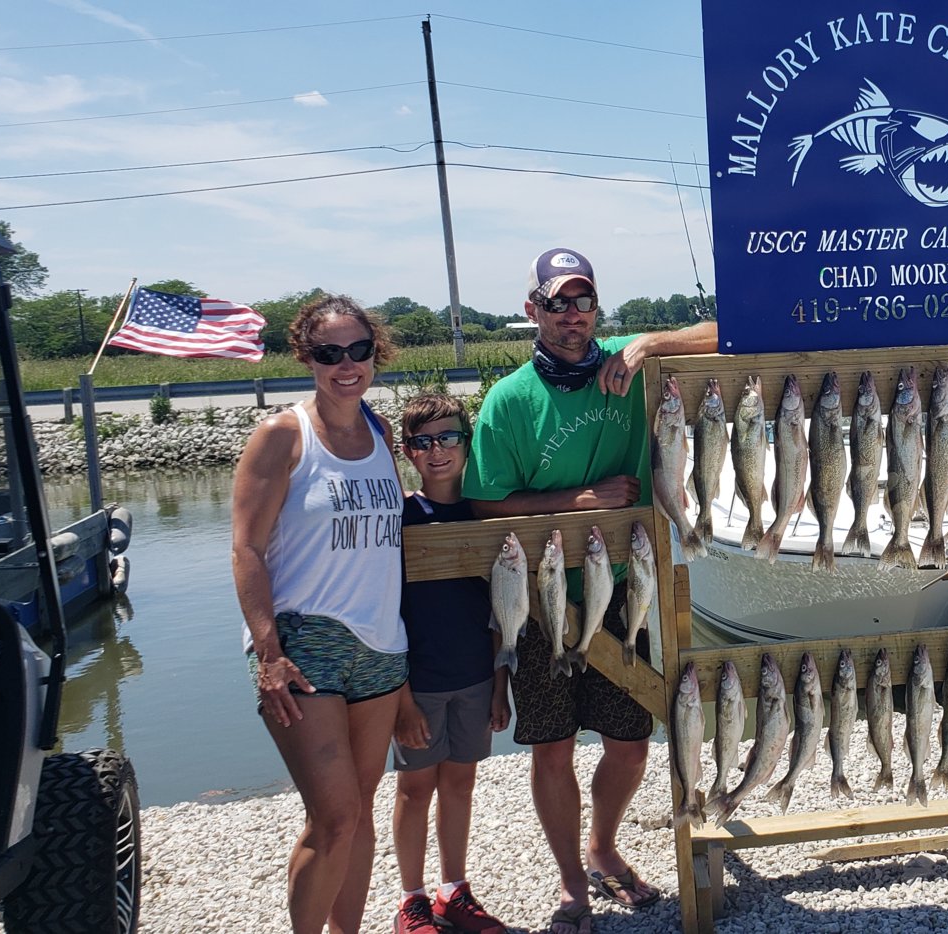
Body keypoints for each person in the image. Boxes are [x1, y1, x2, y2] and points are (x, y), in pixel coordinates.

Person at [463, 247, 717, 933]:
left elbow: (731, 334)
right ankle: (572, 881)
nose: (572, 315)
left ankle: (603, 846)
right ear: (533, 310)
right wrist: (573, 501)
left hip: (625, 591)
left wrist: (650, 344)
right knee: (551, 747)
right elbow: (484, 503)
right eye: (558, 303)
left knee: (630, 744)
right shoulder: (509, 399)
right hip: (538, 596)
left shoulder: (629, 369)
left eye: (584, 301)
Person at [232, 295, 407, 933]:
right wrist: (269, 653)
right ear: (307, 358)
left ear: (375, 353)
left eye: (359, 349)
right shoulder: (283, 435)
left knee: (359, 814)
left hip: (381, 645)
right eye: (330, 353)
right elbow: (246, 548)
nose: (346, 365)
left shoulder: (381, 432)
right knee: (333, 818)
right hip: (306, 642)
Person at [389, 393, 511, 934]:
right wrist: (401, 699)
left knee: (461, 786)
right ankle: (411, 900)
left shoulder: (487, 513)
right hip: (418, 683)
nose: (437, 450)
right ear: (408, 451)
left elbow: (503, 609)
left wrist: (500, 685)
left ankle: (453, 892)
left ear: (468, 442)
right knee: (414, 790)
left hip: (477, 677)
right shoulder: (399, 517)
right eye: (424, 441)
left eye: (448, 437)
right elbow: (385, 614)